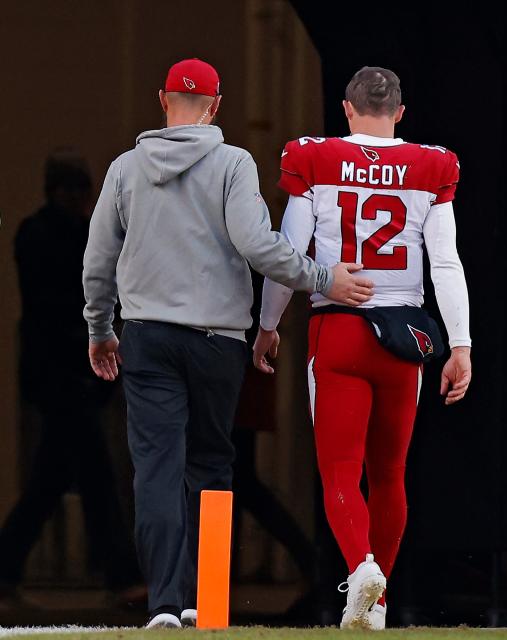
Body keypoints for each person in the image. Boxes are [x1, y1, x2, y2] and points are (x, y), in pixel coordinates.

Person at [82, 58, 374, 629]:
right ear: (216, 106)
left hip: (146, 337)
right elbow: (257, 245)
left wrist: (100, 329)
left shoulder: (125, 169)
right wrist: (322, 278)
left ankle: (164, 605)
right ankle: (208, 602)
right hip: (217, 341)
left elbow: (98, 260)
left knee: (157, 470)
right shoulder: (233, 164)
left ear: (161, 100)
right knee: (212, 463)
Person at [253, 66, 472, 630]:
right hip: (406, 336)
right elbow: (446, 262)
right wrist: (462, 344)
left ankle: (362, 568)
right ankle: (375, 606)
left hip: (342, 327)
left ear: (346, 110)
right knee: (391, 474)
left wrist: (269, 323)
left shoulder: (317, 158)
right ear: (400, 112)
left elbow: (289, 249)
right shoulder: (430, 165)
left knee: (340, 473)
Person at [1, 150, 142, 603]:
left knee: (52, 478)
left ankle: (6, 566)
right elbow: (68, 307)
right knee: (93, 473)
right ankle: (121, 577)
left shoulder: (40, 234)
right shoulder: (60, 237)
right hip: (67, 373)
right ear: (64, 192)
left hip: (58, 374)